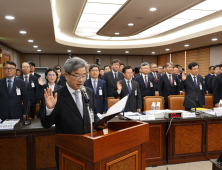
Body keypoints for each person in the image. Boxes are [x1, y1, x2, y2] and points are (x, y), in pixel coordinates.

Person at [41, 57, 105, 169]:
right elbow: (46, 124)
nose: (81, 80)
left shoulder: (88, 92)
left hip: (88, 145)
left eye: (84, 75)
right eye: (76, 75)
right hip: (67, 148)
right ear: (66, 75)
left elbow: (93, 114)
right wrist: (49, 109)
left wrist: (100, 122)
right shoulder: (55, 95)